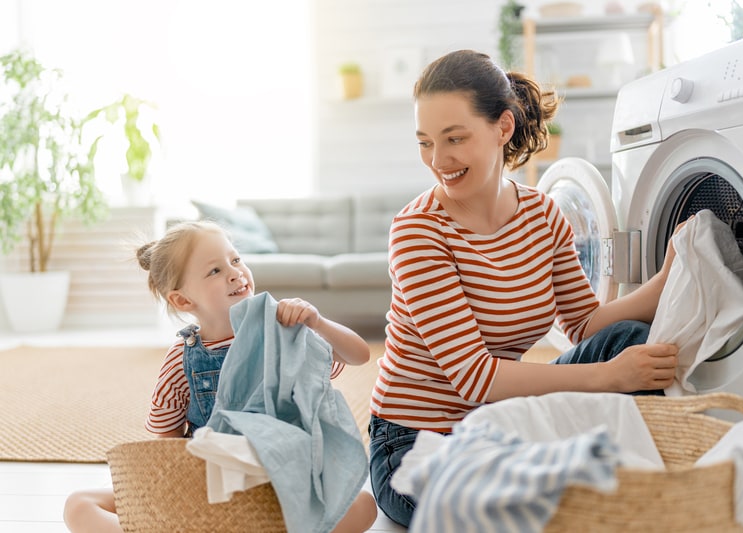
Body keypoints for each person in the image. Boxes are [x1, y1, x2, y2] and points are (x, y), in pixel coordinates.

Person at [368, 49, 681, 527]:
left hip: (503, 421)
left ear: (503, 128)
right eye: (425, 142)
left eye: (455, 139)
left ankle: (668, 477)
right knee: (519, 510)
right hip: (416, 442)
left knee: (627, 341)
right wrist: (609, 378)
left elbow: (582, 325)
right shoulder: (417, 232)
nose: (437, 160)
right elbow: (476, 378)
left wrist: (668, 277)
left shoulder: (541, 215)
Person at [64, 220, 377, 533]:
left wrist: (317, 322)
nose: (235, 272)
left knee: (363, 505)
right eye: (215, 270)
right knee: (79, 504)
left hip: (278, 483)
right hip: (205, 484)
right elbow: (165, 441)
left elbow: (359, 355)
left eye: (236, 259)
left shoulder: (285, 332)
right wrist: (172, 496)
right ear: (183, 301)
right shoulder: (180, 359)